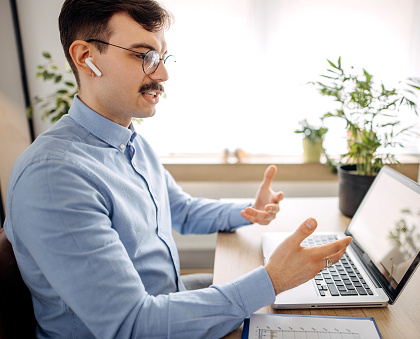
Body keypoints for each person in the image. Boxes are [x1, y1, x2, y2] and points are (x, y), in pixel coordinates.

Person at [3, 0, 352, 338]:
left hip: (170, 299)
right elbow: (132, 327)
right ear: (85, 57)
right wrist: (273, 280)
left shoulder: (130, 142)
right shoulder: (55, 176)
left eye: (163, 57)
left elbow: (180, 210)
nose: (163, 74)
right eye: (145, 56)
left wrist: (249, 212)